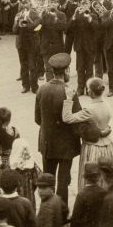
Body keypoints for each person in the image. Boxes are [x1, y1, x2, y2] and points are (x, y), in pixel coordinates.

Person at [34, 52, 82, 203]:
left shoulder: (41, 89)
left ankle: (47, 207)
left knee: (48, 178)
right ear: (67, 71)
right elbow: (77, 119)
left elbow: (37, 119)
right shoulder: (69, 92)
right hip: (66, 144)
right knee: (63, 180)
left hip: (47, 142)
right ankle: (61, 210)